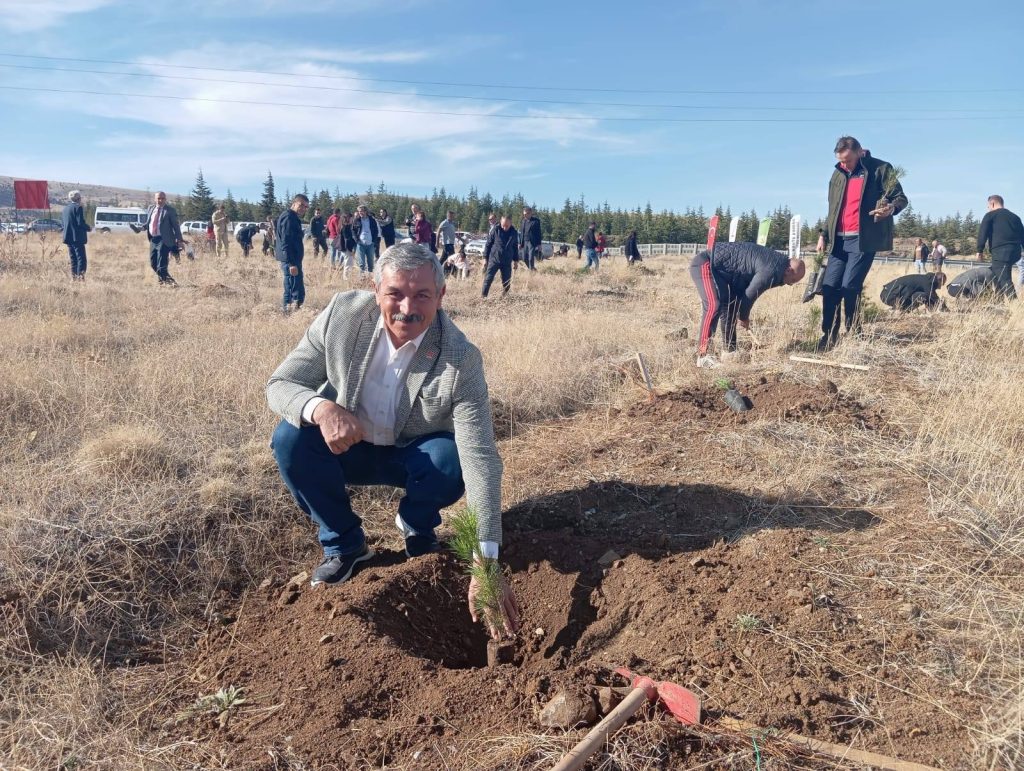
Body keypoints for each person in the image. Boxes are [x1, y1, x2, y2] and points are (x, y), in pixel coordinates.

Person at [266, 242, 520, 637]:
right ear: (375, 290)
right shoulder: (342, 317)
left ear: (441, 295)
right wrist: (322, 408)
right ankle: (345, 546)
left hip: (412, 455)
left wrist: (486, 559)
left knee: (451, 462)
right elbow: (281, 384)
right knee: (289, 439)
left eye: (421, 294)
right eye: (395, 294)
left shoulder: (460, 358)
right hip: (346, 447)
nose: (407, 308)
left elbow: (481, 456)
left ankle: (415, 522)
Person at [816, 136, 908, 351]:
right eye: (840, 160)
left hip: (863, 239)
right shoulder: (837, 173)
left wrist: (891, 209)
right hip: (838, 241)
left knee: (850, 286)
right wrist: (824, 234)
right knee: (829, 289)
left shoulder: (880, 169)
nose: (843, 164)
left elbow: (901, 198)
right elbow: (833, 208)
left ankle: (854, 332)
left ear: (859, 152)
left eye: (847, 160)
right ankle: (828, 335)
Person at [690, 242, 806, 368]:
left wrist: (739, 313)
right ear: (789, 270)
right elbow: (749, 296)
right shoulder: (771, 270)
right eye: (793, 280)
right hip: (706, 264)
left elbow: (742, 295)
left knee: (730, 306)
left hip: (726, 273)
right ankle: (703, 356)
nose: (791, 284)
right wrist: (744, 317)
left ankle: (730, 351)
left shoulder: (778, 266)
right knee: (713, 305)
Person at [976, 195, 1024, 300]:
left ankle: (1014, 304)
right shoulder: (1015, 217)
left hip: (1000, 251)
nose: (988, 208)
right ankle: (998, 300)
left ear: (992, 203)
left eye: (988, 206)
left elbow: (982, 233)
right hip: (1015, 252)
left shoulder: (990, 215)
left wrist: (979, 250)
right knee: (996, 274)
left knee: (1004, 278)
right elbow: (1023, 235)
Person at [135, 191, 184, 286]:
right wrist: (141, 228)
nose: (161, 200)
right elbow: (149, 223)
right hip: (153, 239)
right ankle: (163, 280)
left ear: (165, 199)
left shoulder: (170, 210)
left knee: (161, 265)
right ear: (155, 199)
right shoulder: (151, 208)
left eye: (163, 198)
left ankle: (171, 283)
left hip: (164, 240)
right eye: (159, 198)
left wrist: (180, 240)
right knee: (153, 264)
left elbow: (176, 226)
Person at [276, 194, 309, 313]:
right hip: (291, 261)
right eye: (301, 205)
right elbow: (286, 241)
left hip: (294, 259)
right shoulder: (288, 217)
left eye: (306, 207)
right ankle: (288, 313)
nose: (303, 208)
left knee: (298, 289)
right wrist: (291, 264)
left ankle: (295, 311)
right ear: (294, 203)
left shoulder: (293, 217)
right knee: (292, 289)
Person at [482, 215, 518, 298]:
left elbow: (515, 247)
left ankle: (505, 297)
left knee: (506, 281)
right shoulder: (496, 230)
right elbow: (488, 244)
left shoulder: (514, 232)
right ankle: (483, 297)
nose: (505, 228)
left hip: (507, 261)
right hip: (494, 259)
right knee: (488, 279)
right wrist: (485, 258)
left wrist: (516, 261)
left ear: (511, 223)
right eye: (503, 225)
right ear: (500, 222)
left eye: (507, 226)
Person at [61, 190, 91, 281]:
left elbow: (64, 223)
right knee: (81, 259)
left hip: (68, 237)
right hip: (77, 238)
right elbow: (80, 223)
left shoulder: (65, 209)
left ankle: (74, 279)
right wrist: (88, 228)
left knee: (73, 259)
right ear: (78, 198)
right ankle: (80, 279)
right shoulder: (78, 208)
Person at [879, 272, 946, 311]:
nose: (940, 287)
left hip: (887, 294)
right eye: (942, 283)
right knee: (923, 296)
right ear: (939, 280)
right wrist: (944, 308)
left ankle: (899, 310)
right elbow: (933, 297)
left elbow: (931, 298)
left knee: (922, 295)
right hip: (889, 296)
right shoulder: (928, 282)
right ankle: (900, 310)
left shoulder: (925, 279)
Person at [352, 204, 380, 274]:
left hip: (370, 244)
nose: (360, 213)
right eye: (359, 211)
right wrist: (357, 240)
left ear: (365, 211)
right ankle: (362, 279)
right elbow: (353, 231)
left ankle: (370, 278)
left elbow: (376, 230)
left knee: (370, 263)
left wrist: (374, 241)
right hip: (361, 244)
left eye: (361, 211)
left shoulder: (372, 220)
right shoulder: (356, 220)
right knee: (362, 264)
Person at [519, 206, 542, 271]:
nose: (525, 215)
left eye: (527, 214)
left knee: (530, 258)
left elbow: (538, 233)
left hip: (532, 242)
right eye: (524, 214)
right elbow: (521, 233)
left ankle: (531, 271)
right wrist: (520, 243)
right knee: (524, 258)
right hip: (524, 241)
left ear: (531, 213)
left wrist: (539, 244)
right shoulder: (523, 221)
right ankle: (532, 269)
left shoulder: (536, 221)